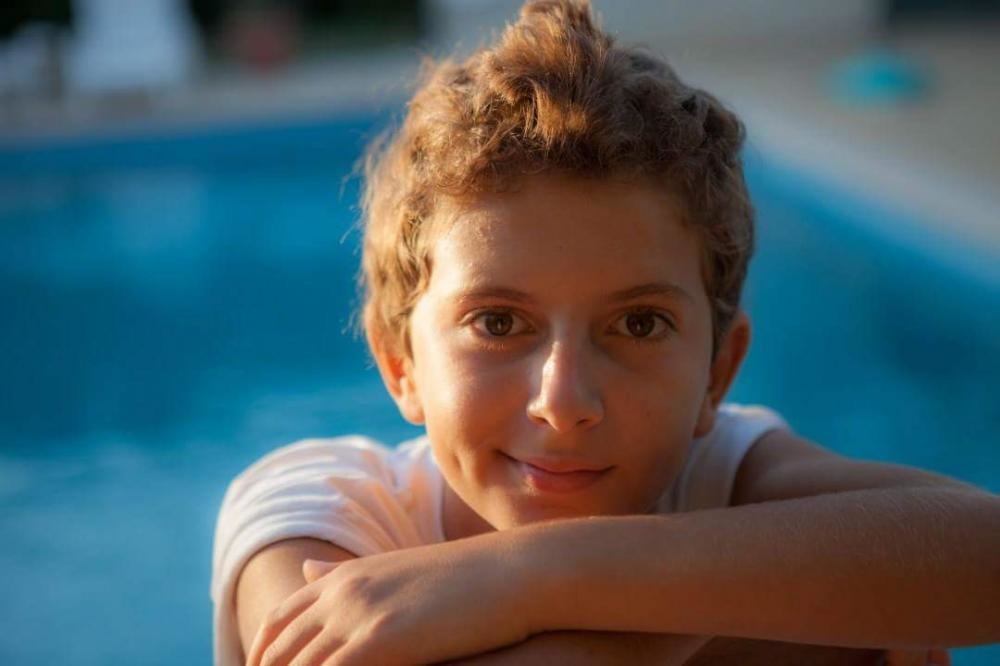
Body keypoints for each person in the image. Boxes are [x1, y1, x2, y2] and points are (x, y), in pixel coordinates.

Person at [211, 1, 998, 664]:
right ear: (400, 364)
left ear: (717, 375)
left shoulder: (724, 470)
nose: (564, 402)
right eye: (497, 322)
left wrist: (530, 576)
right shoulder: (317, 511)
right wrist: (769, 605)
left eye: (638, 323)